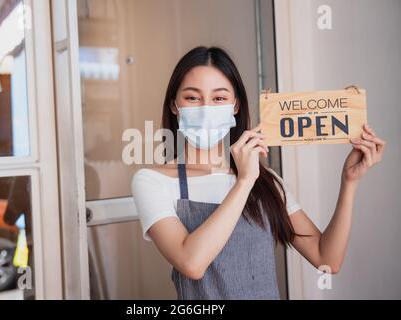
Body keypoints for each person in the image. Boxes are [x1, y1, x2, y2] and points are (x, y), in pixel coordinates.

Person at [131, 46, 386, 300]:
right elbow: (191, 263)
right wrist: (243, 182)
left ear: (235, 106)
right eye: (192, 97)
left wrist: (349, 182)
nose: (206, 108)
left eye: (219, 98)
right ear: (174, 106)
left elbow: (326, 258)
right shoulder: (152, 181)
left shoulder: (267, 181)